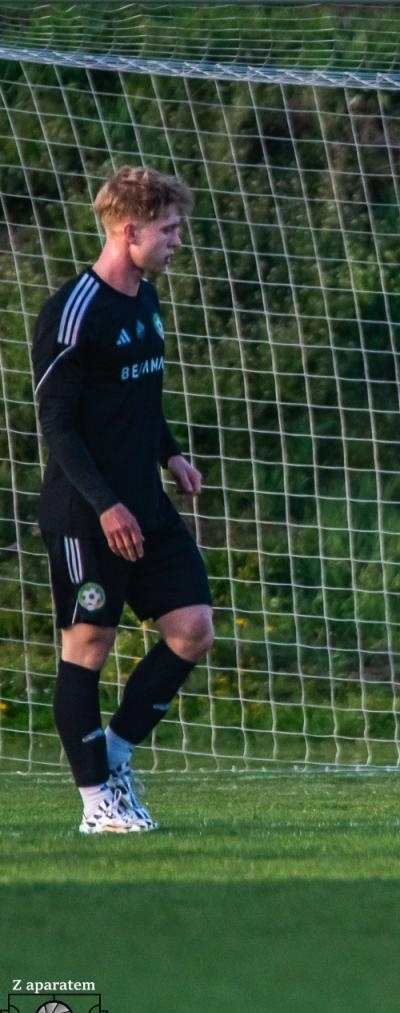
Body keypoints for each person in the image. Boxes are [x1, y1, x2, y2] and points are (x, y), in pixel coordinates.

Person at [31, 165, 215, 832]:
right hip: (89, 513)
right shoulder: (73, 312)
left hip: (148, 504)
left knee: (192, 628)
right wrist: (107, 504)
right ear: (128, 230)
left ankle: (111, 755)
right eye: (168, 230)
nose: (177, 241)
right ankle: (96, 803)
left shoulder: (146, 298)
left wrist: (170, 452)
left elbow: (139, 398)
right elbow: (58, 424)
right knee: (88, 645)